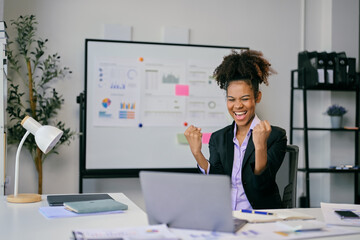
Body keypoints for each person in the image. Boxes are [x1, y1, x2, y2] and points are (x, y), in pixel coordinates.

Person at [184, 50, 287, 210]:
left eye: (245, 99)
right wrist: (197, 153)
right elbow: (217, 183)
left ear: (257, 97)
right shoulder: (218, 138)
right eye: (231, 99)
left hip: (261, 218)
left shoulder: (275, 136)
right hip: (227, 215)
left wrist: (260, 147)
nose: (237, 106)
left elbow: (262, 186)